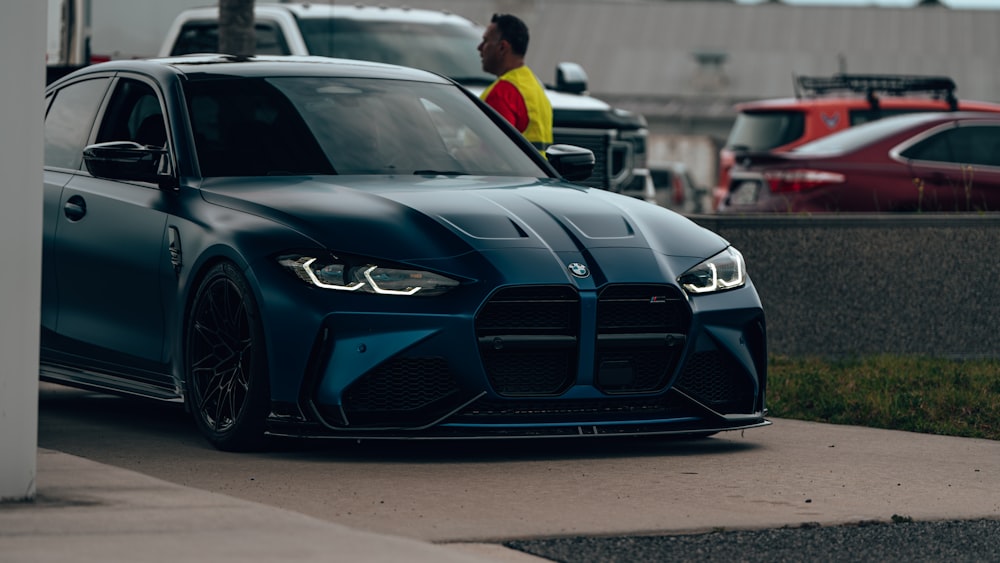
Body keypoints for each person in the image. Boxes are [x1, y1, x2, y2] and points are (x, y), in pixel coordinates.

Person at [477, 13, 553, 152]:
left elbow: (491, 152)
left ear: (502, 47)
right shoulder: (534, 86)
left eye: (485, 41)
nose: (480, 47)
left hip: (502, 173)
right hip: (538, 172)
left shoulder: (502, 93)